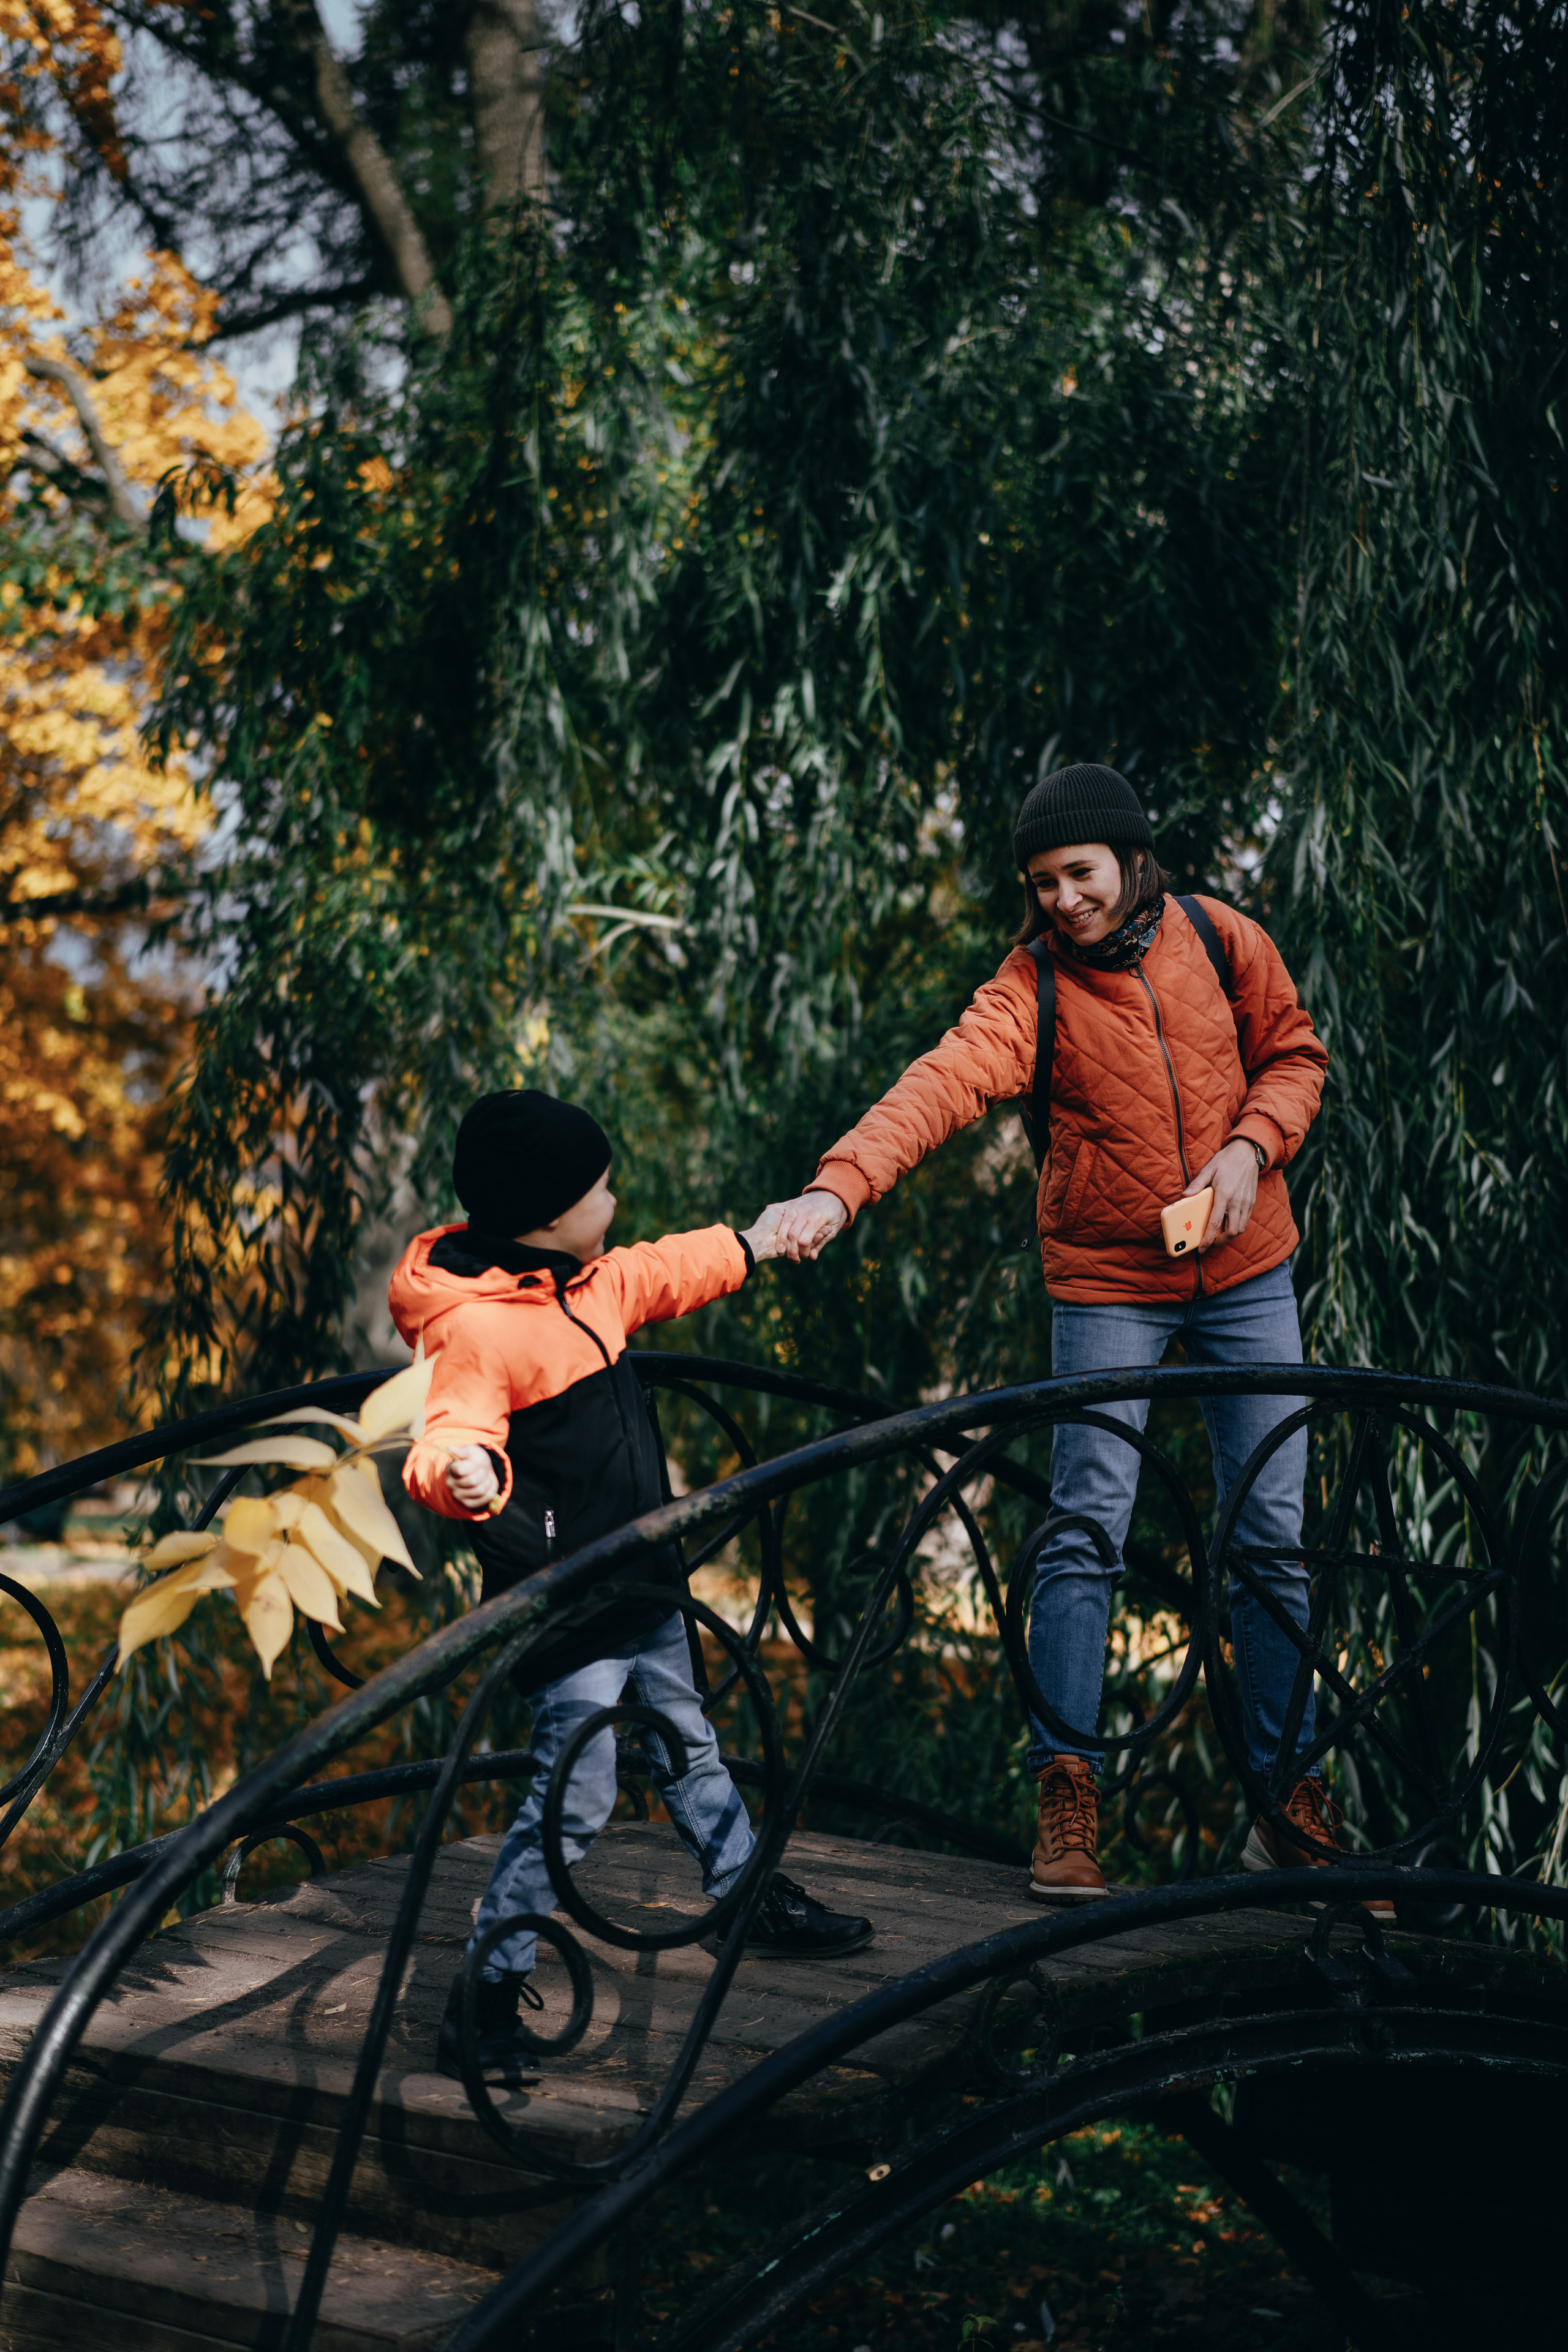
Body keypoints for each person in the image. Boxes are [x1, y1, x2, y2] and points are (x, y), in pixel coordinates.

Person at [771, 764, 1385, 1910]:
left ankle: (1290, 1804)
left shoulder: (1220, 938)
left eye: (1080, 872)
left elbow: (1297, 1056)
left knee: (1271, 1537)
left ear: (1133, 860)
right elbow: (939, 1087)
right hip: (1108, 1285)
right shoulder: (1032, 990)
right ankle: (1067, 1797)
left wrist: (1249, 1147)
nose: (1063, 898)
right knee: (1086, 1525)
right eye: (1042, 882)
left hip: (1249, 1273)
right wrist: (838, 1188)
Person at [391, 1088, 873, 2081]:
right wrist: (461, 1476)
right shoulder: (478, 1328)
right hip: (567, 1603)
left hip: (645, 1583)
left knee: (688, 1738)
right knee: (575, 1794)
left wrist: (759, 1239)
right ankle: (486, 1992)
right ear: (549, 1213)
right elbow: (445, 1433)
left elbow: (669, 1268)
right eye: (601, 1190)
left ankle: (743, 1892)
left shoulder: (590, 1281)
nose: (615, 1201)